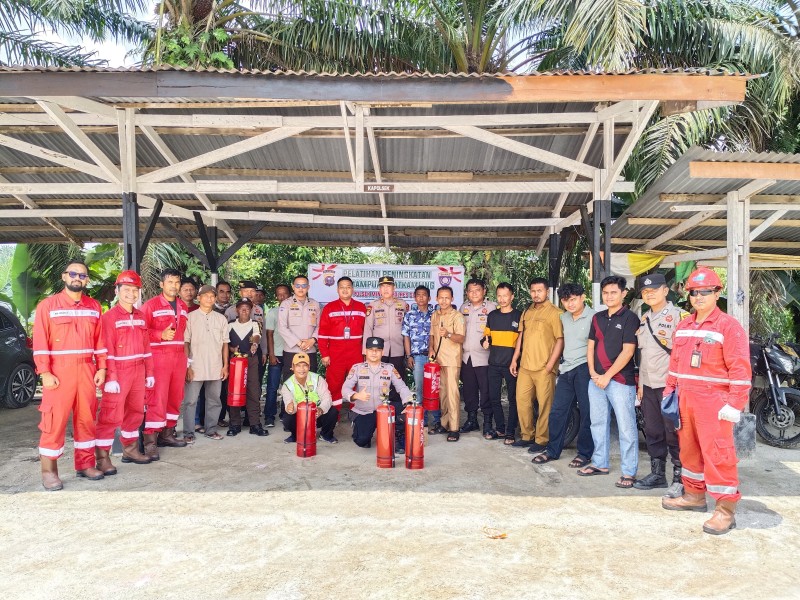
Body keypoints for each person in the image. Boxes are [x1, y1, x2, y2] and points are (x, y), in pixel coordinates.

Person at [661, 267, 751, 535]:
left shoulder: (728, 326)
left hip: (715, 402)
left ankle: (725, 511)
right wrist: (669, 392)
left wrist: (734, 404)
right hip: (685, 398)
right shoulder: (684, 325)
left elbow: (740, 370)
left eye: (705, 292)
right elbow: (675, 364)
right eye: (694, 292)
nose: (699, 297)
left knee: (718, 454)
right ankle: (694, 496)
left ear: (716, 293)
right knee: (689, 451)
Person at [33, 260, 108, 490]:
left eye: (83, 275)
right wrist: (44, 372)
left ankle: (85, 464)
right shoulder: (48, 306)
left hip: (86, 370)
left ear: (87, 280)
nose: (78, 278)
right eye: (73, 274)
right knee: (53, 421)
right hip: (58, 372)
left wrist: (102, 368)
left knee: (86, 419)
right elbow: (40, 342)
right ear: (64, 277)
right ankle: (49, 471)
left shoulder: (94, 306)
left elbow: (100, 341)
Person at [578, 275, 640, 489]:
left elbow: (628, 351)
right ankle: (599, 462)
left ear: (623, 294)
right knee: (597, 422)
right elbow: (590, 346)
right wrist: (593, 372)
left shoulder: (630, 318)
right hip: (595, 380)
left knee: (626, 427)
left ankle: (629, 471)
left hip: (621, 381)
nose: (609, 296)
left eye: (614, 292)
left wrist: (607, 376)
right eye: (605, 292)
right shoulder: (597, 318)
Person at [95, 270, 155, 470]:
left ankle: (130, 451)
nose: (131, 293)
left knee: (136, 412)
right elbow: (106, 350)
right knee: (110, 415)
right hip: (119, 372)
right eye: (127, 289)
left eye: (135, 289)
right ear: (117, 290)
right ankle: (102, 458)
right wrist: (110, 377)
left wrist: (150, 373)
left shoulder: (141, 316)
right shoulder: (108, 318)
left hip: (138, 370)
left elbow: (147, 348)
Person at [633, 274, 687, 495]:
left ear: (666, 291)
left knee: (673, 432)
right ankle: (657, 475)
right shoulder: (644, 318)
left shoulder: (679, 317)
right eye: (645, 292)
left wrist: (678, 385)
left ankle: (680, 477)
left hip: (670, 386)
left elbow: (684, 354)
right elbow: (644, 357)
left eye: (654, 290)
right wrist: (641, 386)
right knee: (653, 430)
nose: (649, 294)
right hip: (648, 386)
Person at [531, 283, 595, 466]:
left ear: (583, 297)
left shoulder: (594, 317)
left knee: (586, 412)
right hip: (567, 369)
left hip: (584, 369)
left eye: (574, 299)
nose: (570, 304)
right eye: (566, 300)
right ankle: (552, 450)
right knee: (558, 411)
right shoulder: (564, 317)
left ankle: (584, 453)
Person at [510, 278, 564, 452]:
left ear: (547, 291)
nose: (536, 294)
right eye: (533, 291)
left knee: (545, 405)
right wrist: (514, 359)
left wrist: (550, 365)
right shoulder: (526, 312)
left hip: (544, 368)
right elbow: (521, 337)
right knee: (522, 401)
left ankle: (542, 439)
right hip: (525, 366)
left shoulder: (555, 313)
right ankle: (527, 435)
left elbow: (560, 340)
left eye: (539, 290)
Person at [141, 268, 189, 460]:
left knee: (175, 397)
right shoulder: (150, 305)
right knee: (157, 398)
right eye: (170, 282)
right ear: (162, 284)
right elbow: (141, 331)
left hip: (178, 357)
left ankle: (167, 435)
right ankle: (150, 442)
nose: (174, 286)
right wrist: (159, 335)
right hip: (159, 357)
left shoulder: (183, 306)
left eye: (177, 282)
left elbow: (183, 335)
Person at [342, 337, 413, 448]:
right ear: (365, 351)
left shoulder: (389, 369)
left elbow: (402, 387)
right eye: (371, 349)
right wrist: (356, 395)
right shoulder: (357, 369)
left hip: (383, 408)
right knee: (362, 441)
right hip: (364, 411)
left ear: (382, 352)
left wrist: (408, 403)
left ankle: (397, 435)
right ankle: (360, 429)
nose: (374, 353)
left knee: (405, 410)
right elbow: (345, 389)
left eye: (378, 350)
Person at [183, 285, 230, 441]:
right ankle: (189, 433)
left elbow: (225, 344)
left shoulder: (221, 318)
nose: (209, 299)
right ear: (199, 298)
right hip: (195, 366)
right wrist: (187, 366)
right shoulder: (190, 317)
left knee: (214, 400)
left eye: (212, 296)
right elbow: (185, 343)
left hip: (216, 366)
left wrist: (225, 366)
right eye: (206, 296)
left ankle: (211, 430)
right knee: (190, 401)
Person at [318, 276, 367, 411]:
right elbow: (322, 334)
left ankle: (357, 415)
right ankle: (334, 416)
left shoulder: (361, 307)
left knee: (358, 384)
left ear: (353, 289)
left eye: (348, 287)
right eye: (342, 287)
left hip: (356, 354)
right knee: (334, 385)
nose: (345, 290)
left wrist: (365, 355)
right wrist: (324, 354)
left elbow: (367, 333)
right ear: (337, 289)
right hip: (335, 354)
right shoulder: (329, 308)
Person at [481, 282, 521, 444]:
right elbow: (486, 337)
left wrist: (516, 361)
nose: (502, 299)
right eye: (499, 295)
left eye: (506, 295)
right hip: (494, 364)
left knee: (513, 399)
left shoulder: (519, 316)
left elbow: (522, 341)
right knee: (494, 398)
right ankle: (501, 428)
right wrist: (483, 342)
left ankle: (511, 432)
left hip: (512, 365)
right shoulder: (492, 316)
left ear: (512, 296)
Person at [363, 276, 409, 411]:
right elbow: (368, 329)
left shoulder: (402, 304)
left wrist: (408, 352)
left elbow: (407, 329)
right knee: (378, 382)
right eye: (383, 287)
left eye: (388, 286)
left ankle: (397, 414)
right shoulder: (373, 305)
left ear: (394, 288)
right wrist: (366, 352)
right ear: (379, 289)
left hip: (398, 350)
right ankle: (377, 412)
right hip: (378, 352)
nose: (386, 289)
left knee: (397, 382)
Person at [459, 279, 497, 436]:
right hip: (466, 357)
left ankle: (488, 422)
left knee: (486, 391)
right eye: (470, 290)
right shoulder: (463, 308)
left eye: (477, 290)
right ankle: (472, 420)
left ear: (484, 291)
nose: (474, 293)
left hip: (484, 358)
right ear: (467, 293)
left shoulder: (492, 308)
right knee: (469, 390)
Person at [429, 287, 466, 442]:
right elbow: (432, 335)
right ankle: (444, 424)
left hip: (452, 360)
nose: (444, 301)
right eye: (441, 298)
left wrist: (449, 334)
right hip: (438, 360)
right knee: (442, 394)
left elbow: (461, 338)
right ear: (436, 299)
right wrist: (430, 349)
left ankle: (454, 428)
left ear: (452, 299)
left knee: (452, 394)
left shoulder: (457, 316)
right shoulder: (435, 315)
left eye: (447, 298)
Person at [227, 298, 268, 437]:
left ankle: (254, 424)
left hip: (250, 360)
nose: (244, 311)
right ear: (236, 310)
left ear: (251, 311)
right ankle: (234, 424)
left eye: (247, 309)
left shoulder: (255, 323)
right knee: (235, 391)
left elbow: (256, 335)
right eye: (242, 308)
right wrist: (231, 348)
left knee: (253, 391)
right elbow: (224, 341)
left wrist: (254, 345)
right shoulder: (230, 324)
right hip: (235, 361)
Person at [281, 353, 339, 444]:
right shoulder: (287, 385)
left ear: (309, 367)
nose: (301, 369)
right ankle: (296, 435)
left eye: (305, 365)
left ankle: (326, 435)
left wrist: (320, 409)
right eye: (298, 366)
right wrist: (290, 407)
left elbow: (327, 398)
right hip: (300, 416)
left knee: (333, 411)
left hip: (317, 415)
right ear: (292, 367)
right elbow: (288, 402)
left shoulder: (318, 379)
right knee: (287, 418)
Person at [402, 285, 437, 429]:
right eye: (418, 295)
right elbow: (406, 337)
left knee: (434, 388)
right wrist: (409, 355)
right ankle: (422, 419)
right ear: (414, 298)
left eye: (424, 295)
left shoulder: (435, 314)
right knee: (419, 388)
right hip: (417, 357)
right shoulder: (409, 315)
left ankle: (436, 420)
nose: (421, 297)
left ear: (429, 298)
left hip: (434, 358)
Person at [278, 275, 321, 381]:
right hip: (291, 351)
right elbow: (282, 327)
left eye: (304, 285)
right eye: (298, 285)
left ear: (308, 287)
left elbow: (320, 326)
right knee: (290, 382)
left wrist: (313, 340)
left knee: (310, 382)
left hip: (310, 350)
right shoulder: (286, 304)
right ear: (293, 287)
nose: (301, 288)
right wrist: (299, 343)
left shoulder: (315, 304)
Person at [264, 283, 291, 427]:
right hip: (277, 355)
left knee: (289, 387)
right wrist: (271, 354)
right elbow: (269, 335)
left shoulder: (294, 311)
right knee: (272, 387)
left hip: (290, 354)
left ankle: (286, 414)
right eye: (279, 294)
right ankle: (269, 416)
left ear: (290, 294)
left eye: (284, 293)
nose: (282, 297)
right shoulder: (273, 312)